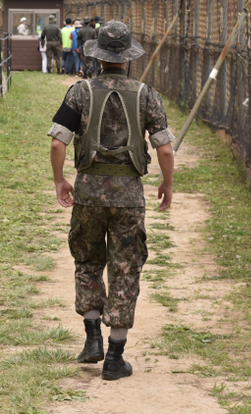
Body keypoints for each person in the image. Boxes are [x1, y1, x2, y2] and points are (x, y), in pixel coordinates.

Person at [47, 20, 175, 381]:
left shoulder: (80, 91)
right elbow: (164, 149)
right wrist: (167, 184)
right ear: (128, 57)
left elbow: (58, 142)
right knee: (125, 268)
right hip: (129, 196)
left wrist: (60, 180)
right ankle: (115, 358)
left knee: (88, 260)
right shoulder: (147, 94)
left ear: (98, 56)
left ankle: (92, 339)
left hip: (88, 192)